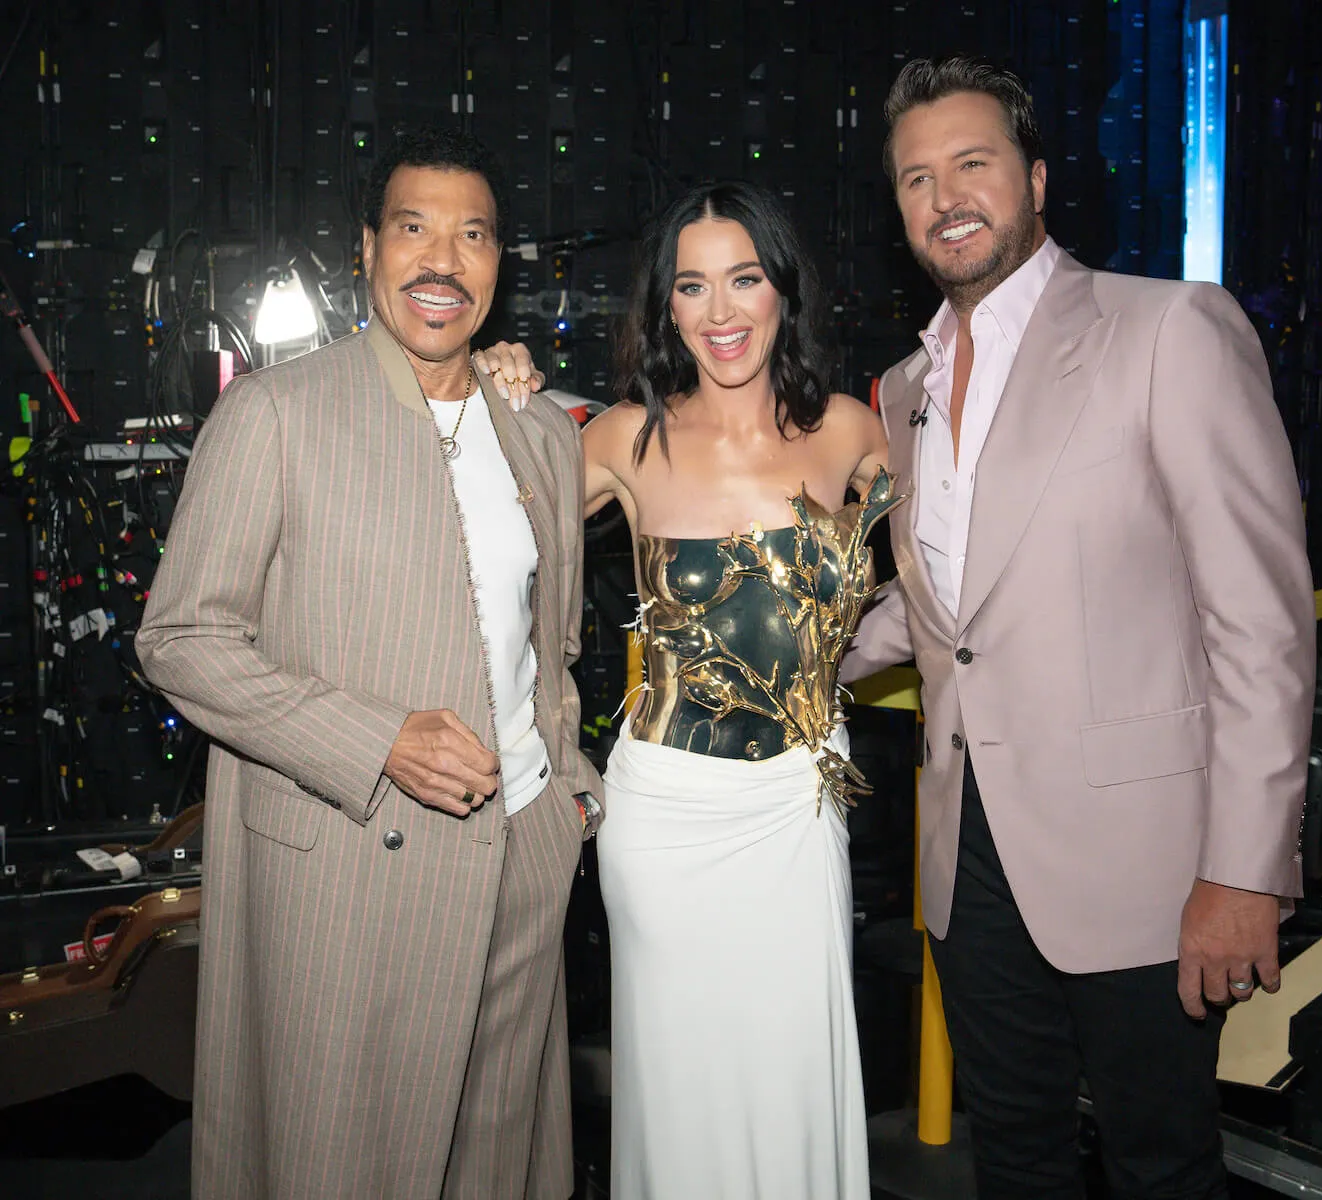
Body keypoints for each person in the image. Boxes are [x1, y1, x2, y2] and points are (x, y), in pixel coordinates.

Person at [841, 56, 1315, 1200]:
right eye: (917, 177)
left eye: (973, 163)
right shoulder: (901, 390)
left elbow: (1260, 616)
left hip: (1146, 863)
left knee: (1162, 1167)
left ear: (1037, 179)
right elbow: (943, 605)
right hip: (971, 859)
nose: (945, 195)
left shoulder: (1168, 330)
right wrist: (784, 663)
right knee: (1015, 1156)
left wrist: (1244, 870)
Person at [136, 126, 602, 1200]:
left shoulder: (539, 433)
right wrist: (377, 739)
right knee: (341, 1165)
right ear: (366, 251)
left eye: (472, 235)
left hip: (521, 862)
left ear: (499, 265)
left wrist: (567, 797)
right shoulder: (274, 414)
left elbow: (556, 646)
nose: (443, 259)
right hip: (351, 873)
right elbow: (180, 639)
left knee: (496, 1164)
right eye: (414, 229)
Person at [481, 180, 892, 1200]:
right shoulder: (627, 437)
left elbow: (950, 591)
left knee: (794, 1079)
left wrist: (825, 684)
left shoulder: (850, 430)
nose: (721, 313)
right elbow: (481, 534)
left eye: (743, 279)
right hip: (667, 818)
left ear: (781, 292)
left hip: (799, 813)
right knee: (684, 1094)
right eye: (692, 286)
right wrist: (483, 393)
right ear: (664, 306)